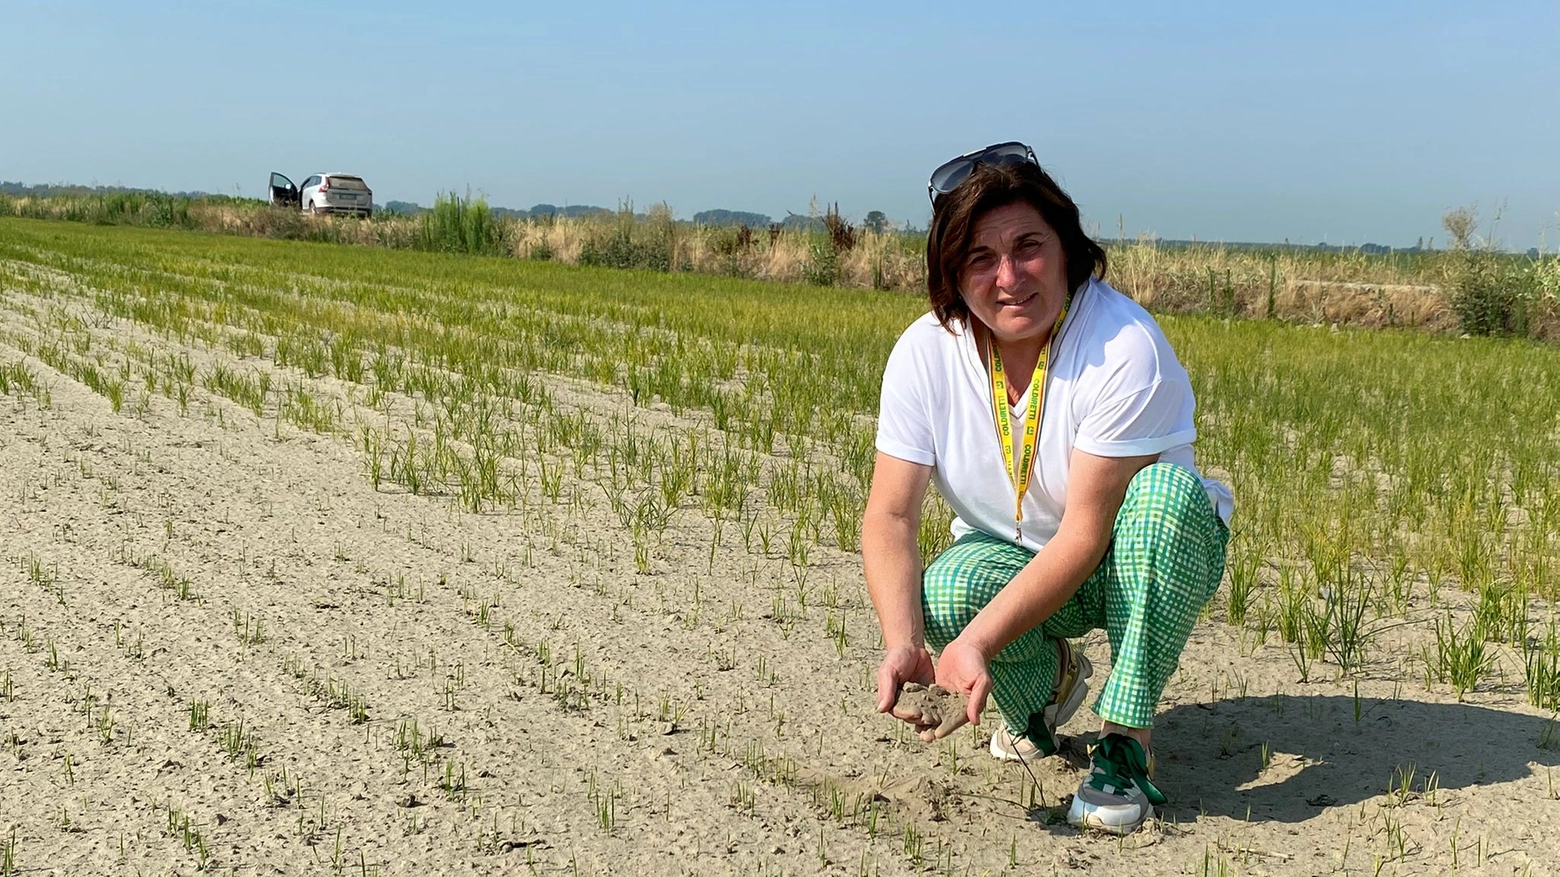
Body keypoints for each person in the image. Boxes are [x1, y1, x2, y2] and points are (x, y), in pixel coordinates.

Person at [863, 142, 1233, 835]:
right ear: (951, 275)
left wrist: (974, 644)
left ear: (1067, 247)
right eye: (979, 257)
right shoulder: (924, 352)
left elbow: (1087, 534)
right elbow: (889, 513)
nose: (1008, 277)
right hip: (1024, 560)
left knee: (1162, 501)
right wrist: (904, 640)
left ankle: (1126, 743)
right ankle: (1044, 694)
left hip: (1137, 557)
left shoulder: (1123, 345)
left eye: (1028, 247)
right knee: (942, 589)